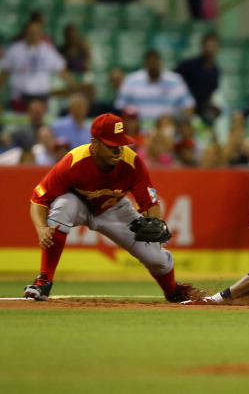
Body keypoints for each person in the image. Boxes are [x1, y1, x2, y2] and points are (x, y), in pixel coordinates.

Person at [24, 113, 202, 302]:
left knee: (156, 257)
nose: (118, 151)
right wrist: (42, 229)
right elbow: (38, 200)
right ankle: (43, 280)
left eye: (121, 144)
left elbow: (150, 203)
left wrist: (154, 221)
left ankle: (173, 290)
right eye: (111, 145)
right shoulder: (73, 161)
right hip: (78, 204)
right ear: (95, 143)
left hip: (114, 209)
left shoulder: (132, 162)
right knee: (63, 208)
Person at [0, 20, 77, 112]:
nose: (32, 34)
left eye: (35, 32)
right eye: (30, 32)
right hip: (20, 98)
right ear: (25, 33)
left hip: (41, 97)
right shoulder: (15, 50)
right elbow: (4, 74)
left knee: (41, 125)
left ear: (41, 34)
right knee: (20, 125)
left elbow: (62, 71)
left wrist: (74, 86)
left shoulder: (48, 50)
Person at [115, 49, 195, 121]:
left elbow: (188, 105)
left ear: (160, 63)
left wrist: (182, 123)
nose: (153, 66)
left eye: (155, 63)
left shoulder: (174, 81)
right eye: (151, 63)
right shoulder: (131, 81)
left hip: (167, 130)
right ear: (146, 64)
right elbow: (120, 107)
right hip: (139, 131)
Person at [175, 33, 220, 124]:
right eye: (207, 46)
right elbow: (174, 79)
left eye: (213, 46)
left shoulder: (215, 71)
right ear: (202, 47)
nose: (210, 49)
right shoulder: (189, 65)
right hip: (185, 108)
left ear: (216, 49)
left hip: (201, 109)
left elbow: (210, 94)